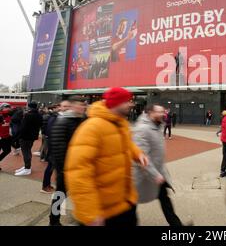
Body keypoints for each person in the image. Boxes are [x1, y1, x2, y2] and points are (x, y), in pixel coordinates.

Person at [65, 87, 149, 226]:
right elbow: (78, 173)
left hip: (125, 202)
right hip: (104, 211)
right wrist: (90, 213)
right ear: (116, 103)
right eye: (127, 101)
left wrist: (138, 154)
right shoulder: (92, 128)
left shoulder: (120, 123)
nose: (131, 104)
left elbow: (126, 143)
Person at [133, 104, 185, 226]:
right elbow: (142, 156)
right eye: (159, 112)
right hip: (143, 175)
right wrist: (155, 174)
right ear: (150, 113)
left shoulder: (157, 126)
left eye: (163, 111)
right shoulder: (142, 129)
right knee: (131, 203)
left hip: (157, 172)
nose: (163, 114)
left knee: (165, 199)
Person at [48, 96, 87, 225]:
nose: (83, 107)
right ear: (72, 106)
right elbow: (58, 149)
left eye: (84, 105)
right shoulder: (63, 121)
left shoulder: (82, 120)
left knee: (83, 195)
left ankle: (83, 218)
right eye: (80, 105)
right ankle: (54, 221)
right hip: (65, 169)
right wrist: (63, 170)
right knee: (60, 195)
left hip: (81, 167)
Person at [15, 102, 43, 176]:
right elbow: (40, 125)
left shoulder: (28, 115)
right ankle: (26, 167)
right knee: (28, 151)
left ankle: (27, 168)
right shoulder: (39, 115)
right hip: (32, 137)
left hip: (25, 137)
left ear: (29, 107)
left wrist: (18, 136)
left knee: (26, 153)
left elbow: (23, 127)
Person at [40, 103, 63, 194]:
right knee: (50, 167)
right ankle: (45, 186)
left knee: (51, 167)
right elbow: (50, 132)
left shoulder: (54, 117)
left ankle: (47, 185)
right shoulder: (54, 118)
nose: (63, 109)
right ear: (56, 108)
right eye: (62, 107)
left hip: (54, 146)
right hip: (54, 147)